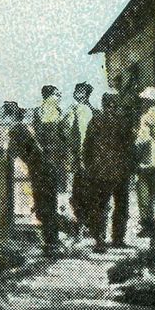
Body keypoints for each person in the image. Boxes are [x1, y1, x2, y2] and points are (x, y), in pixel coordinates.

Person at [1, 101, 61, 252]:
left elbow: (9, 154)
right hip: (44, 172)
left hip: (41, 173)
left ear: (11, 116)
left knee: (44, 210)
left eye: (5, 115)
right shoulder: (22, 129)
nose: (4, 118)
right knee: (45, 209)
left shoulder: (16, 130)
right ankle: (52, 242)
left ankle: (52, 244)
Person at [85, 91, 134, 249]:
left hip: (100, 171)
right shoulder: (123, 121)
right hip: (121, 171)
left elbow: (87, 146)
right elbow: (130, 148)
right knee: (121, 206)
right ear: (116, 104)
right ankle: (118, 239)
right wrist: (130, 168)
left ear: (103, 103)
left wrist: (90, 167)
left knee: (100, 206)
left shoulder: (95, 120)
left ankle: (99, 240)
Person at [132, 86, 155, 239]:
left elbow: (142, 140)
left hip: (146, 161)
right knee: (154, 194)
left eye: (144, 100)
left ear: (149, 101)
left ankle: (147, 225)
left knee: (143, 194)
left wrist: (134, 144)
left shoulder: (146, 116)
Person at [64, 81, 98, 236]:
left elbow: (74, 136)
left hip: (82, 158)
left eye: (80, 92)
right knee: (84, 191)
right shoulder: (89, 111)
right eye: (76, 91)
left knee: (80, 192)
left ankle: (83, 223)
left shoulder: (80, 111)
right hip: (85, 159)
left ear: (85, 94)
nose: (77, 94)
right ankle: (87, 223)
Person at [35, 85, 71, 223]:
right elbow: (64, 135)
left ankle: (54, 212)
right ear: (49, 96)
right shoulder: (54, 112)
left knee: (54, 185)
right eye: (57, 94)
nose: (59, 96)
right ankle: (57, 213)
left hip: (51, 155)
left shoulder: (42, 112)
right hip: (54, 155)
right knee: (58, 185)